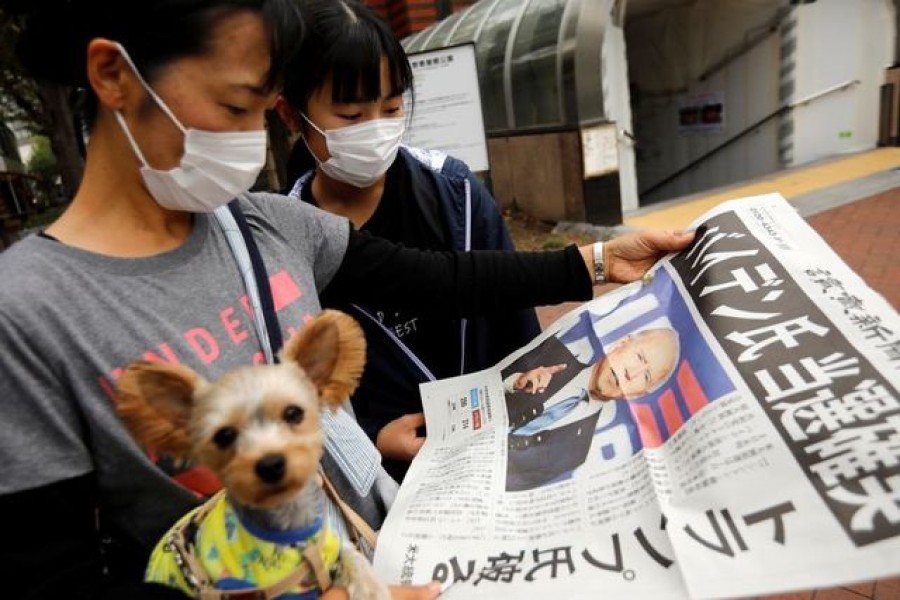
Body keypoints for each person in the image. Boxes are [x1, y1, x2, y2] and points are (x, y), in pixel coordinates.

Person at [0, 1, 694, 598]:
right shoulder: (26, 313)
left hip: (382, 551)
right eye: (235, 106)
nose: (248, 140)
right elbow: (52, 577)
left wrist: (600, 261)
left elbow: (443, 278)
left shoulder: (266, 225)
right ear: (113, 75)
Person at [273, 0, 542, 482]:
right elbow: (305, 388)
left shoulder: (455, 194)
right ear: (292, 117)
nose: (376, 127)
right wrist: (375, 436)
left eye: (392, 107)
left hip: (496, 448)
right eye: (351, 114)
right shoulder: (285, 241)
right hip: (392, 480)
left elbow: (514, 319)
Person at [502, 328, 680, 491]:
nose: (631, 373)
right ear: (621, 344)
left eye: (646, 376)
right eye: (639, 357)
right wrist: (514, 383)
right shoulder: (551, 351)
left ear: (640, 393)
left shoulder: (576, 453)